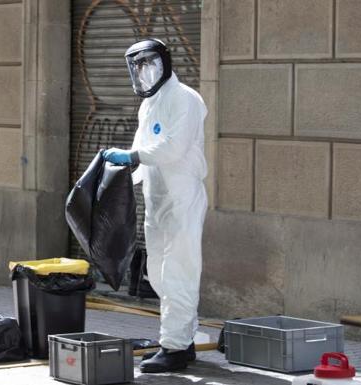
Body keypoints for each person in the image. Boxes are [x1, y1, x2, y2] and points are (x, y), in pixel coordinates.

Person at [103, 39, 208, 373]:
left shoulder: (186, 99)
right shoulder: (148, 106)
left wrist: (133, 156)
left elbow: (172, 148)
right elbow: (142, 148)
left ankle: (175, 348)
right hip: (156, 200)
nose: (142, 73)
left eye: (147, 64)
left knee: (179, 272)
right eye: (136, 67)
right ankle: (182, 339)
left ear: (163, 63)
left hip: (182, 199)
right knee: (159, 274)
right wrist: (119, 169)